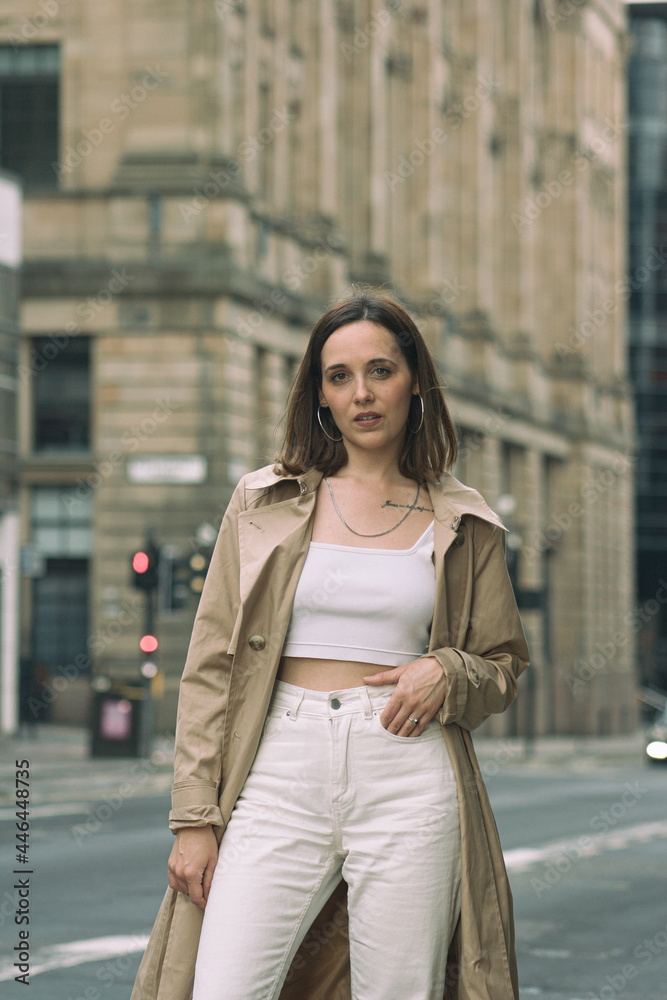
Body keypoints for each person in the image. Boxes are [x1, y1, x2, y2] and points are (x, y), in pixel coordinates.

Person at [131, 291, 531, 1000]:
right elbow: (210, 666)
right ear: (318, 393)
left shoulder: (464, 520)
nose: (361, 393)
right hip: (278, 766)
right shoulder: (263, 501)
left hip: (406, 769)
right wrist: (194, 817)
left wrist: (446, 671)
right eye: (338, 376)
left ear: (414, 381)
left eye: (380, 370)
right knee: (221, 987)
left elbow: (503, 665)